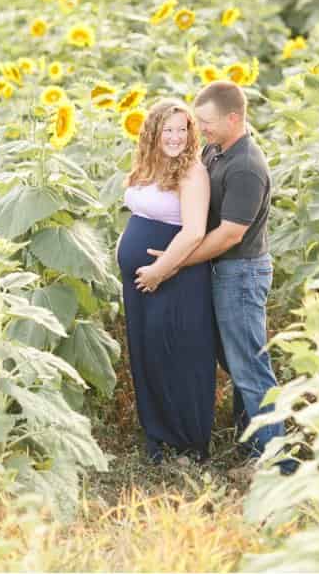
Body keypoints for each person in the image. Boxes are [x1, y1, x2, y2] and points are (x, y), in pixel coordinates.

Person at [146, 81, 294, 479]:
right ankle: (253, 445)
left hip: (241, 274)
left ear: (233, 118)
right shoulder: (218, 150)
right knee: (236, 360)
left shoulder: (246, 166)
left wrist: (175, 262)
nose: (201, 129)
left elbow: (230, 233)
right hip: (223, 271)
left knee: (249, 366)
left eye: (207, 122)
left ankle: (277, 463)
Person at [116, 98, 216, 463]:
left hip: (176, 277)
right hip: (141, 281)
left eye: (182, 129)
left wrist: (160, 271)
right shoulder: (149, 165)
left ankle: (190, 443)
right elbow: (141, 211)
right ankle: (157, 436)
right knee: (147, 354)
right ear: (153, 133)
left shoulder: (192, 172)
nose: (175, 137)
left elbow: (192, 232)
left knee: (180, 354)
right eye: (167, 129)